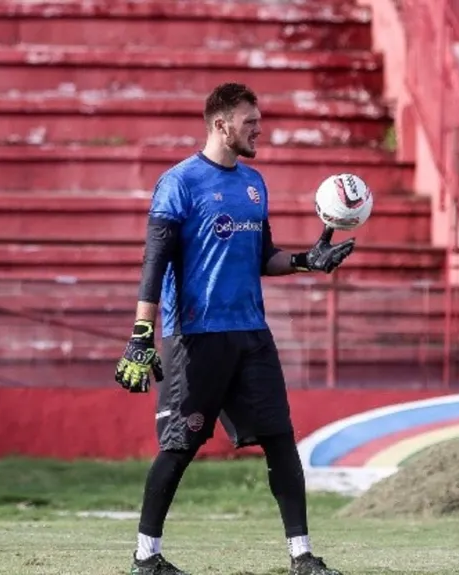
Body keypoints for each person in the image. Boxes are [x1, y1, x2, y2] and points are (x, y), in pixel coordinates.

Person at [114, 82, 354, 575]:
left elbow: (265, 257)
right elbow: (154, 264)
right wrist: (141, 332)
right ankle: (146, 558)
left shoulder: (255, 184)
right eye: (250, 122)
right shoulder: (178, 183)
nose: (258, 129)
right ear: (221, 125)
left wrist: (309, 260)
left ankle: (302, 555)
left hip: (251, 333)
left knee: (281, 439)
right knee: (180, 446)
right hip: (196, 339)